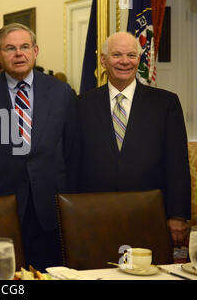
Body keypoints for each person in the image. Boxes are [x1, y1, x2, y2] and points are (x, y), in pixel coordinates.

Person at [0, 23, 80, 272]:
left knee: (47, 274)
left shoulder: (62, 93)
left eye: (25, 47)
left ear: (35, 51)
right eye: (10, 48)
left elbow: (72, 149)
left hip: (48, 208)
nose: (19, 54)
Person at [78, 31, 191, 247]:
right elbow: (74, 161)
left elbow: (177, 163)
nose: (124, 61)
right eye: (116, 55)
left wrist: (178, 215)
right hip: (93, 217)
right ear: (103, 60)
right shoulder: (81, 104)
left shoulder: (165, 104)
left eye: (131, 55)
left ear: (139, 60)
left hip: (150, 217)